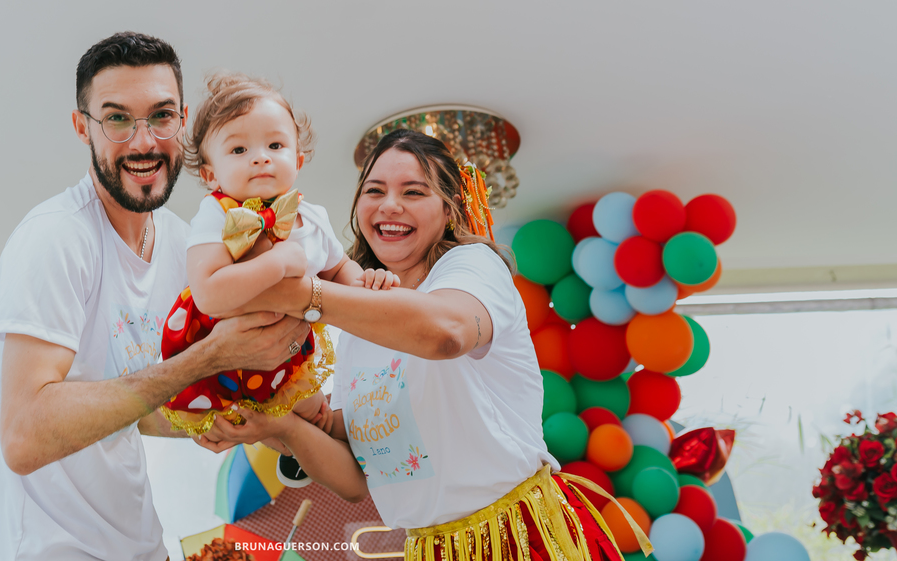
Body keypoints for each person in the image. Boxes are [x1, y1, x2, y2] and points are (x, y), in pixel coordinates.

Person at [200, 129, 646, 561]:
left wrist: (296, 292)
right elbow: (358, 480)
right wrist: (279, 425)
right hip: (426, 547)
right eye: (374, 191)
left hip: (518, 536)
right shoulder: (356, 322)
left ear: (450, 209)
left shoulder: (471, 265)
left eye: (413, 192)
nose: (390, 205)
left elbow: (446, 334)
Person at [0, 33, 312, 561]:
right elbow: (24, 436)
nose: (144, 141)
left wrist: (224, 417)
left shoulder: (185, 244)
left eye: (161, 115)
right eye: (117, 119)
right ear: (82, 126)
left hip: (138, 545)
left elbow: (134, 404)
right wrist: (211, 358)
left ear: (184, 119)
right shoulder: (55, 238)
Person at [157, 73, 397, 479]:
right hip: (224, 366)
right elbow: (210, 293)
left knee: (316, 413)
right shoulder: (217, 215)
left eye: (275, 145)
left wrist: (366, 284)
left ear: (298, 160)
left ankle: (350, 456)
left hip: (289, 358)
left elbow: (338, 268)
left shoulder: (312, 216)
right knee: (244, 424)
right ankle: (294, 449)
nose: (260, 157)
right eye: (238, 148)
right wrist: (278, 263)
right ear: (211, 174)